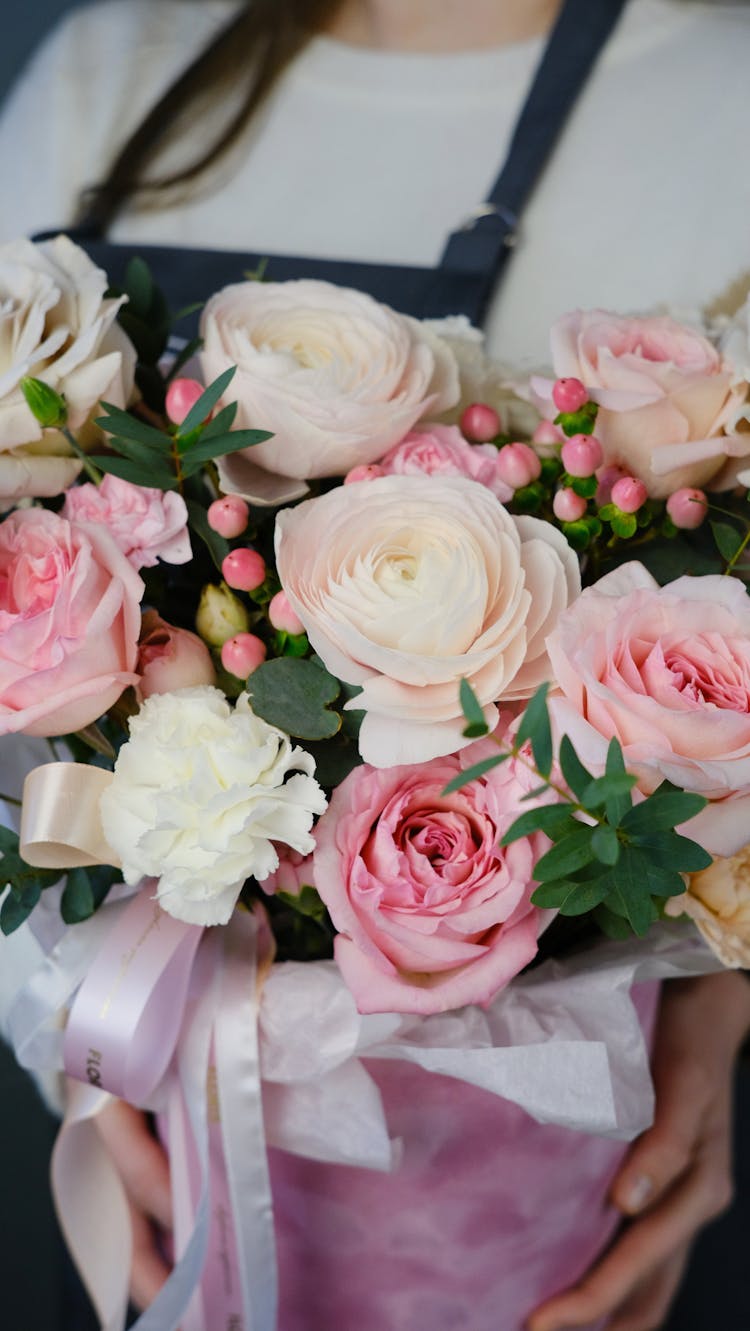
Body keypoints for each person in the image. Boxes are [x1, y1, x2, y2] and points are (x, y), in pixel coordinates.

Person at [1, 2, 750, 1329]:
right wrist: (85, 1024)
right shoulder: (112, 66)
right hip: (142, 1170)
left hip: (547, 1185)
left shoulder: (720, 94)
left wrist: (714, 1007)